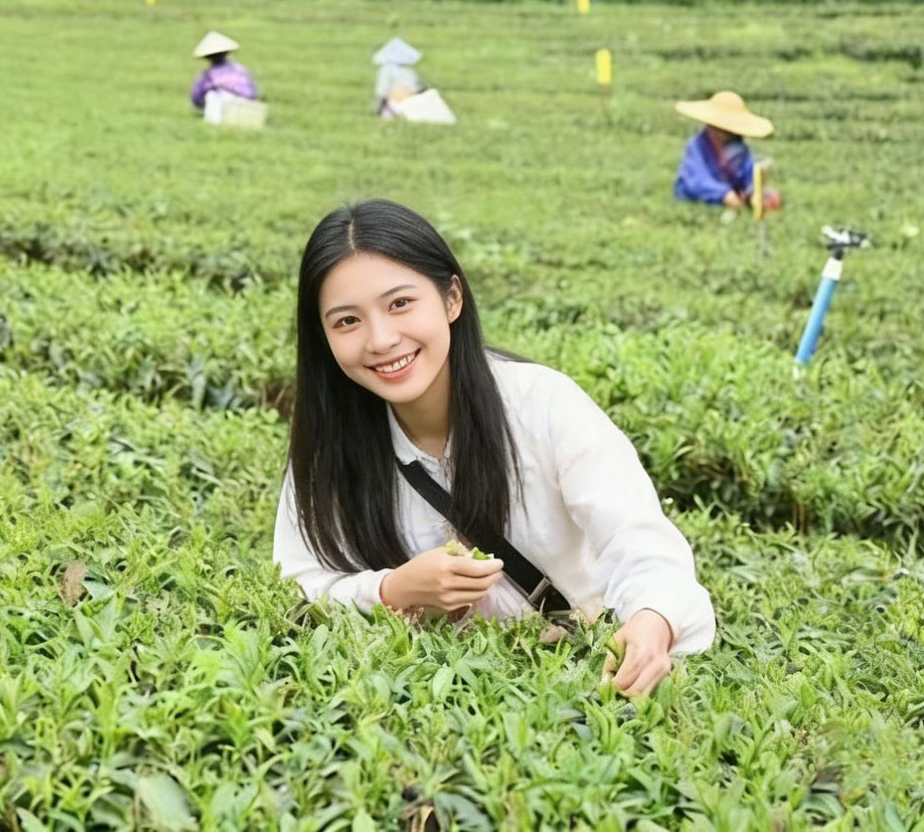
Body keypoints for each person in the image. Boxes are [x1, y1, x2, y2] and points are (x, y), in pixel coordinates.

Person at [274, 200, 715, 696]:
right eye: (347, 321)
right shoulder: (329, 444)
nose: (380, 339)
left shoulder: (544, 405)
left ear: (452, 299)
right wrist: (390, 591)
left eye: (400, 304)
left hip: (576, 689)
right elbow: (294, 585)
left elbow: (642, 543)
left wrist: (652, 622)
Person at [674, 91, 780, 211]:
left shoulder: (739, 148)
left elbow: (748, 174)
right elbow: (697, 180)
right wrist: (725, 194)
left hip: (730, 204)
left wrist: (753, 193)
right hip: (697, 201)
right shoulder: (696, 146)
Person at [190, 31, 259, 113]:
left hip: (220, 109)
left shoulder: (207, 75)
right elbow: (252, 92)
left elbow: (197, 97)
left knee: (212, 95)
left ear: (207, 57)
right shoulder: (239, 69)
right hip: (244, 107)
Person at [372, 38, 425, 117]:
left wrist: (379, 109)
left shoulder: (386, 70)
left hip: (395, 105)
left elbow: (382, 91)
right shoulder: (409, 71)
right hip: (411, 105)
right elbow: (418, 89)